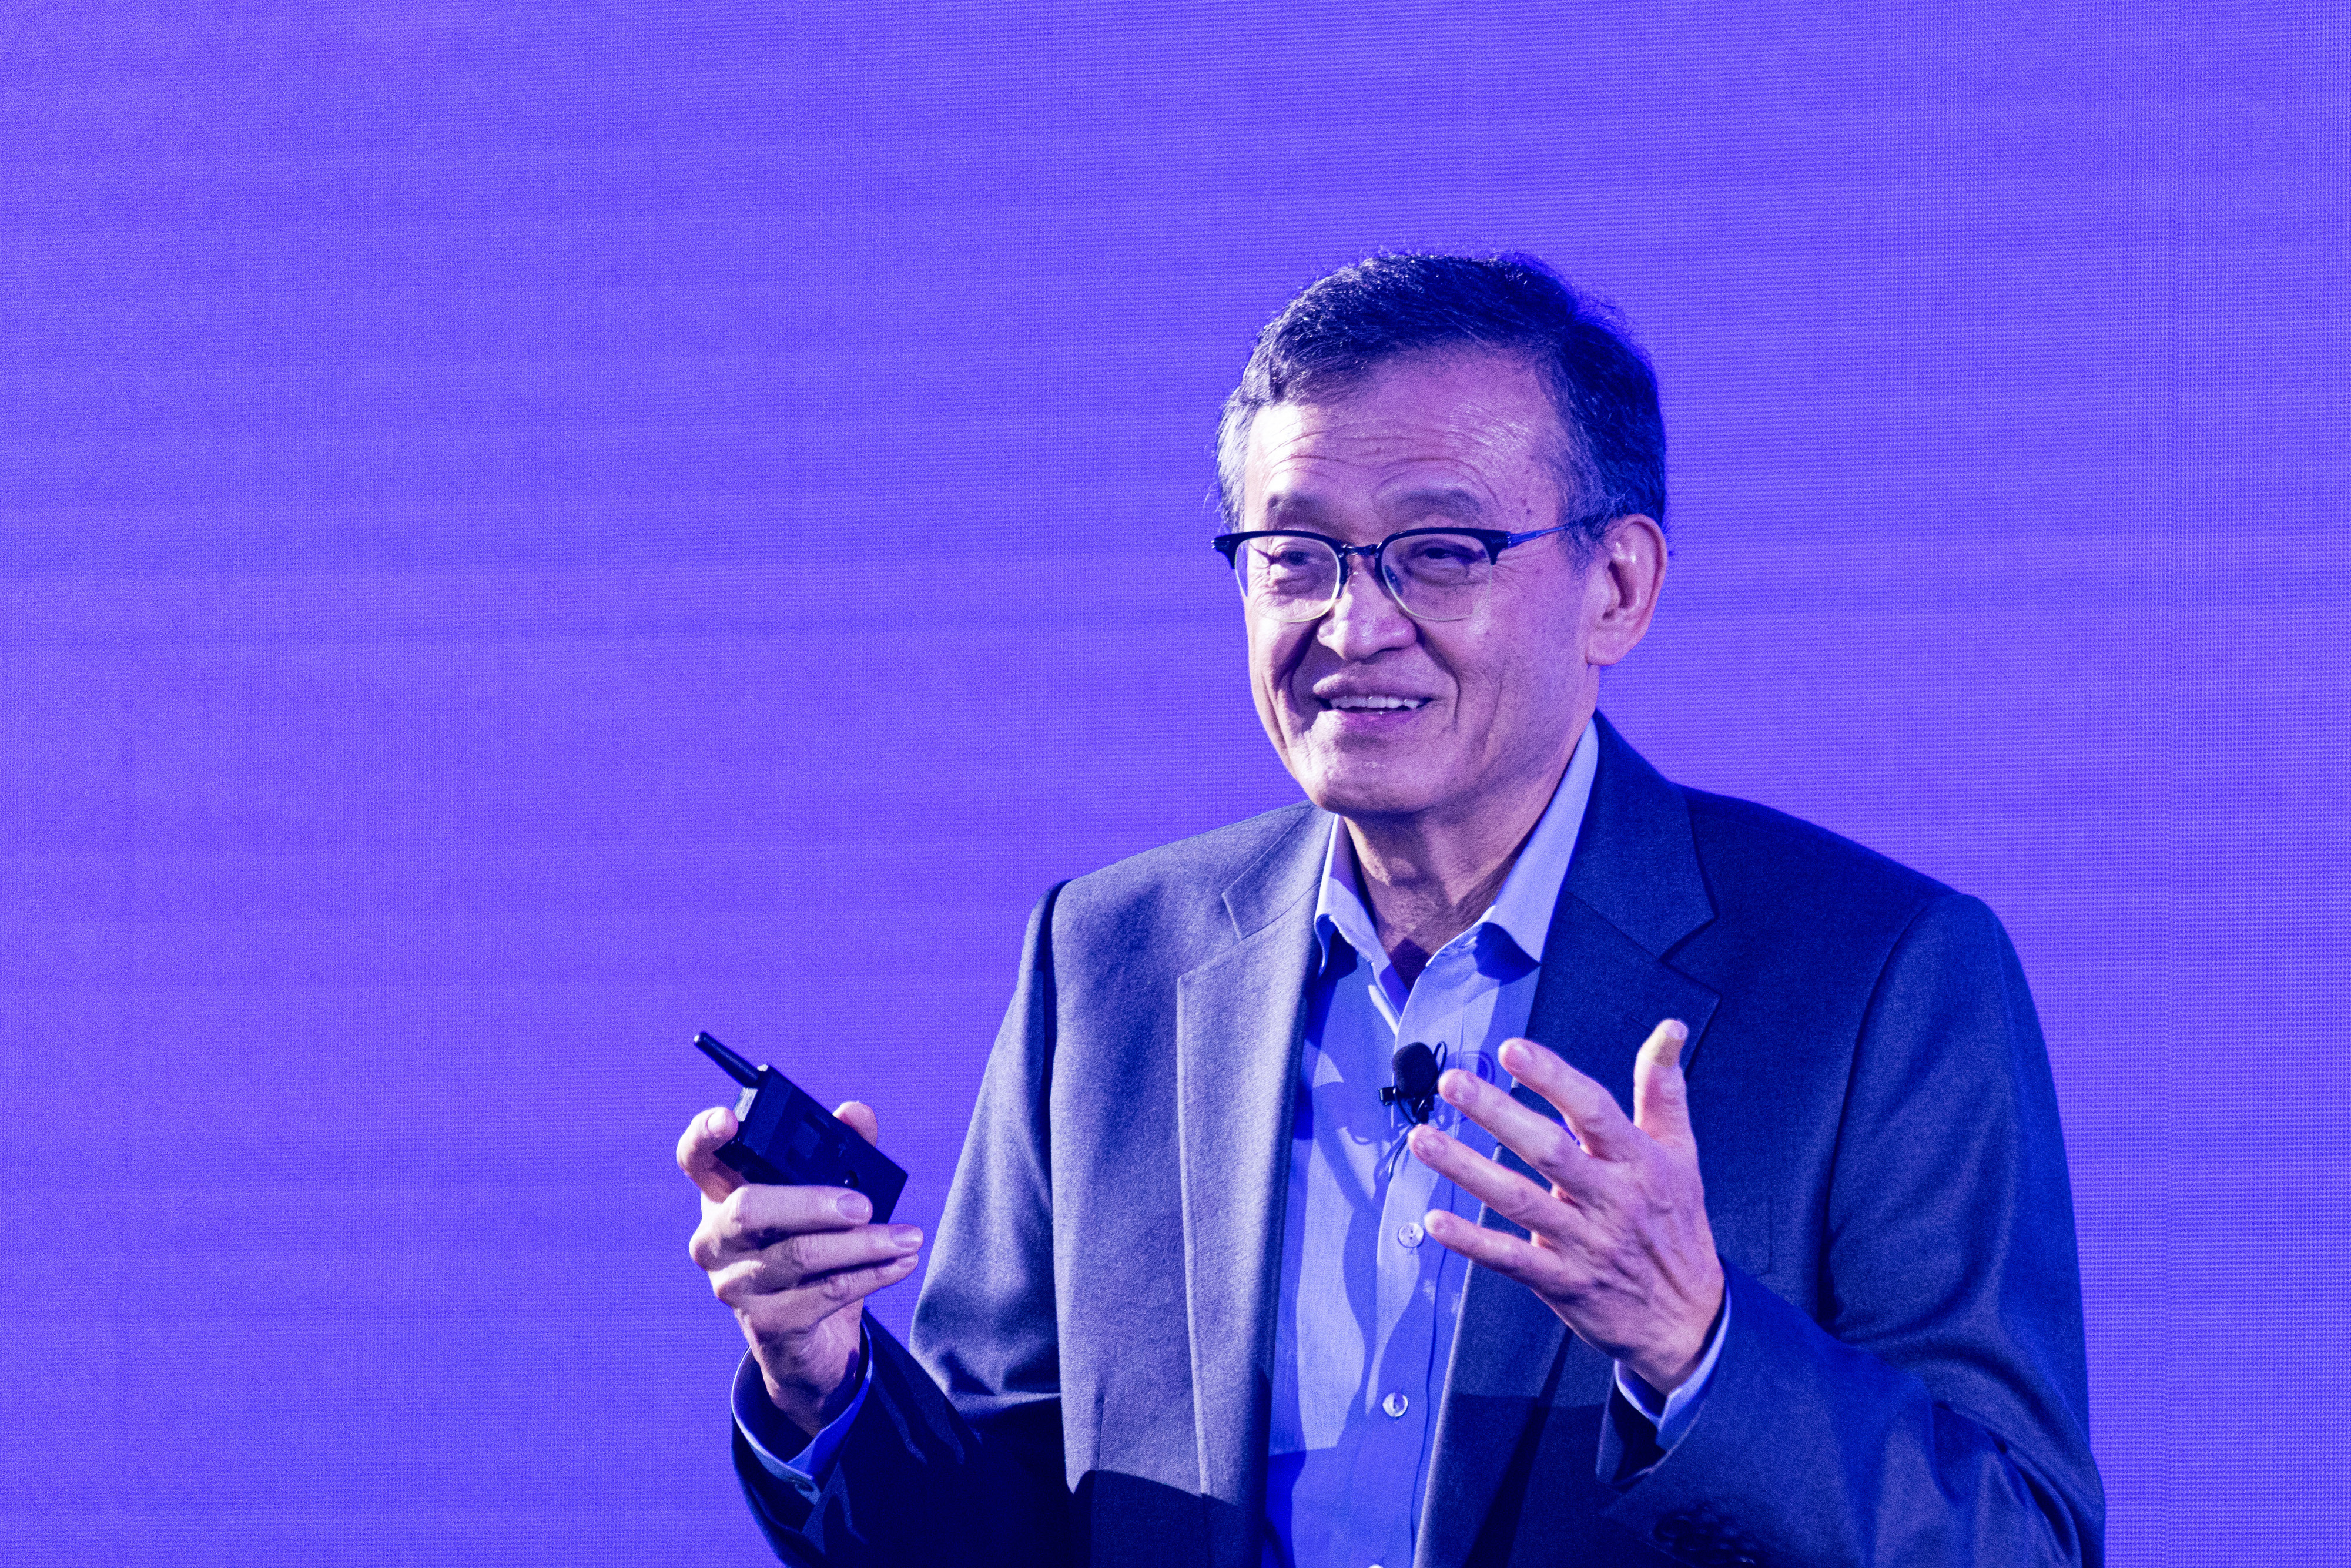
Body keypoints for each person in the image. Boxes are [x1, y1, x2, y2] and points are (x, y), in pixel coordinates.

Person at [677, 253, 2104, 1567]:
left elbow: (2021, 1542)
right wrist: (825, 1376)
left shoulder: (1876, 976)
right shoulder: (1111, 958)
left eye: (1439, 550)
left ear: (1616, 586)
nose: (1352, 626)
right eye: (1293, 554)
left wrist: (1697, 1343)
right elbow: (993, 1537)